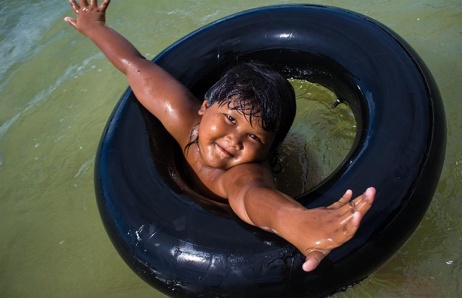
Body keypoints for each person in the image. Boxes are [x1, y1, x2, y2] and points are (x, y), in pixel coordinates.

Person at [65, 0, 376, 272]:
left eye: (254, 138)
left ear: (267, 149)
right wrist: (95, 27)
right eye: (229, 118)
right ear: (204, 107)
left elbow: (250, 196)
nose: (234, 139)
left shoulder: (246, 171)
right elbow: (136, 67)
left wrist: (297, 223)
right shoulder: (184, 119)